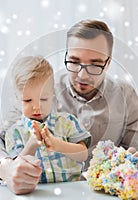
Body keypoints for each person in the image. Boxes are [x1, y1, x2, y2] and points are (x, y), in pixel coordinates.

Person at [0, 19, 138, 195]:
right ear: (66, 55)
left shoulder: (125, 94)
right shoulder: (40, 89)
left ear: (108, 63)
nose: (82, 75)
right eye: (74, 61)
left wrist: (137, 166)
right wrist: (6, 168)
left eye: (94, 64)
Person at [5, 56, 91, 184]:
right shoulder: (15, 132)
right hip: (36, 192)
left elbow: (83, 154)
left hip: (72, 190)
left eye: (43, 99)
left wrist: (58, 145)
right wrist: (32, 145)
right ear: (18, 99)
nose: (36, 107)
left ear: (52, 95)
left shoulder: (67, 122)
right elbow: (16, 169)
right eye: (28, 100)